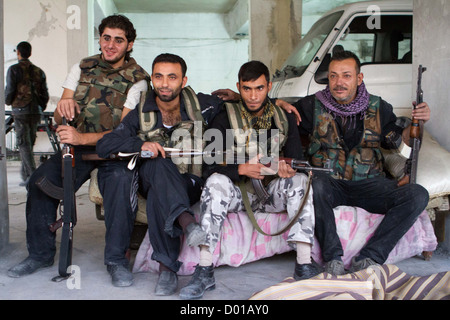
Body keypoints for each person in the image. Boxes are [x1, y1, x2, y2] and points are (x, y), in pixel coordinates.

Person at [7, 15, 150, 288]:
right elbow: (60, 117)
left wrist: (81, 135)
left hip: (114, 153)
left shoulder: (139, 80)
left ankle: (116, 261)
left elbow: (126, 132)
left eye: (118, 40)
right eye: (106, 38)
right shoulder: (82, 67)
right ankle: (39, 254)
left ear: (129, 44)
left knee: (121, 186)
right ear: (100, 38)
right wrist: (63, 111)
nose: (110, 45)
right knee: (39, 183)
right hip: (77, 149)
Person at [179, 60, 319, 300]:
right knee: (214, 183)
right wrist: (241, 169)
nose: (253, 96)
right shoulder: (225, 117)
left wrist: (288, 170)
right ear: (238, 87)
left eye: (260, 88)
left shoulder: (282, 118)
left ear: (269, 87)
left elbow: (295, 160)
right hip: (237, 194)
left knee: (300, 182)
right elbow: (209, 166)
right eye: (247, 89)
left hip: (272, 193)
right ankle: (204, 270)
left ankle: (304, 264)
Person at [293, 50, 431, 275]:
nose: (339, 82)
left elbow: (398, 140)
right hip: (330, 183)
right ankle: (332, 258)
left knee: (418, 195)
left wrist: (418, 121)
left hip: (370, 184)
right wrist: (276, 103)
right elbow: (277, 117)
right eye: (333, 76)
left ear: (359, 78)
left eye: (346, 75)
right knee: (313, 185)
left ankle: (370, 258)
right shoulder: (310, 106)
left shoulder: (379, 107)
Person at [5, 41, 49, 186]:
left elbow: (10, 90)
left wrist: (8, 101)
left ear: (18, 52)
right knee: (29, 142)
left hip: (20, 111)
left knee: (24, 144)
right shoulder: (38, 71)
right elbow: (45, 93)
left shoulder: (14, 70)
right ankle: (25, 176)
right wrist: (40, 106)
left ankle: (32, 176)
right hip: (35, 111)